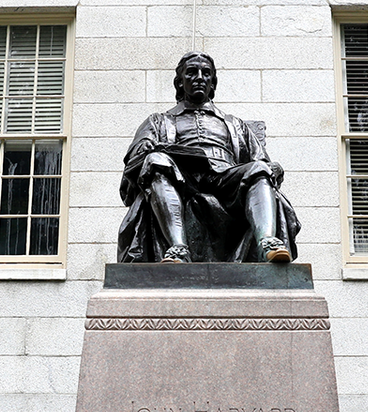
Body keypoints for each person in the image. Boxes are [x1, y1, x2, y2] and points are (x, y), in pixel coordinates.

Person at [117, 52, 300, 263]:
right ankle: (178, 248)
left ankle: (267, 243)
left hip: (226, 179)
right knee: (156, 161)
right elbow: (135, 161)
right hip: (181, 178)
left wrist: (273, 168)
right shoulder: (158, 121)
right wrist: (147, 149)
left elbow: (263, 161)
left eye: (206, 73)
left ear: (213, 82)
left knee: (258, 168)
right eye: (192, 72)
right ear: (180, 82)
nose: (200, 77)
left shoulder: (235, 123)